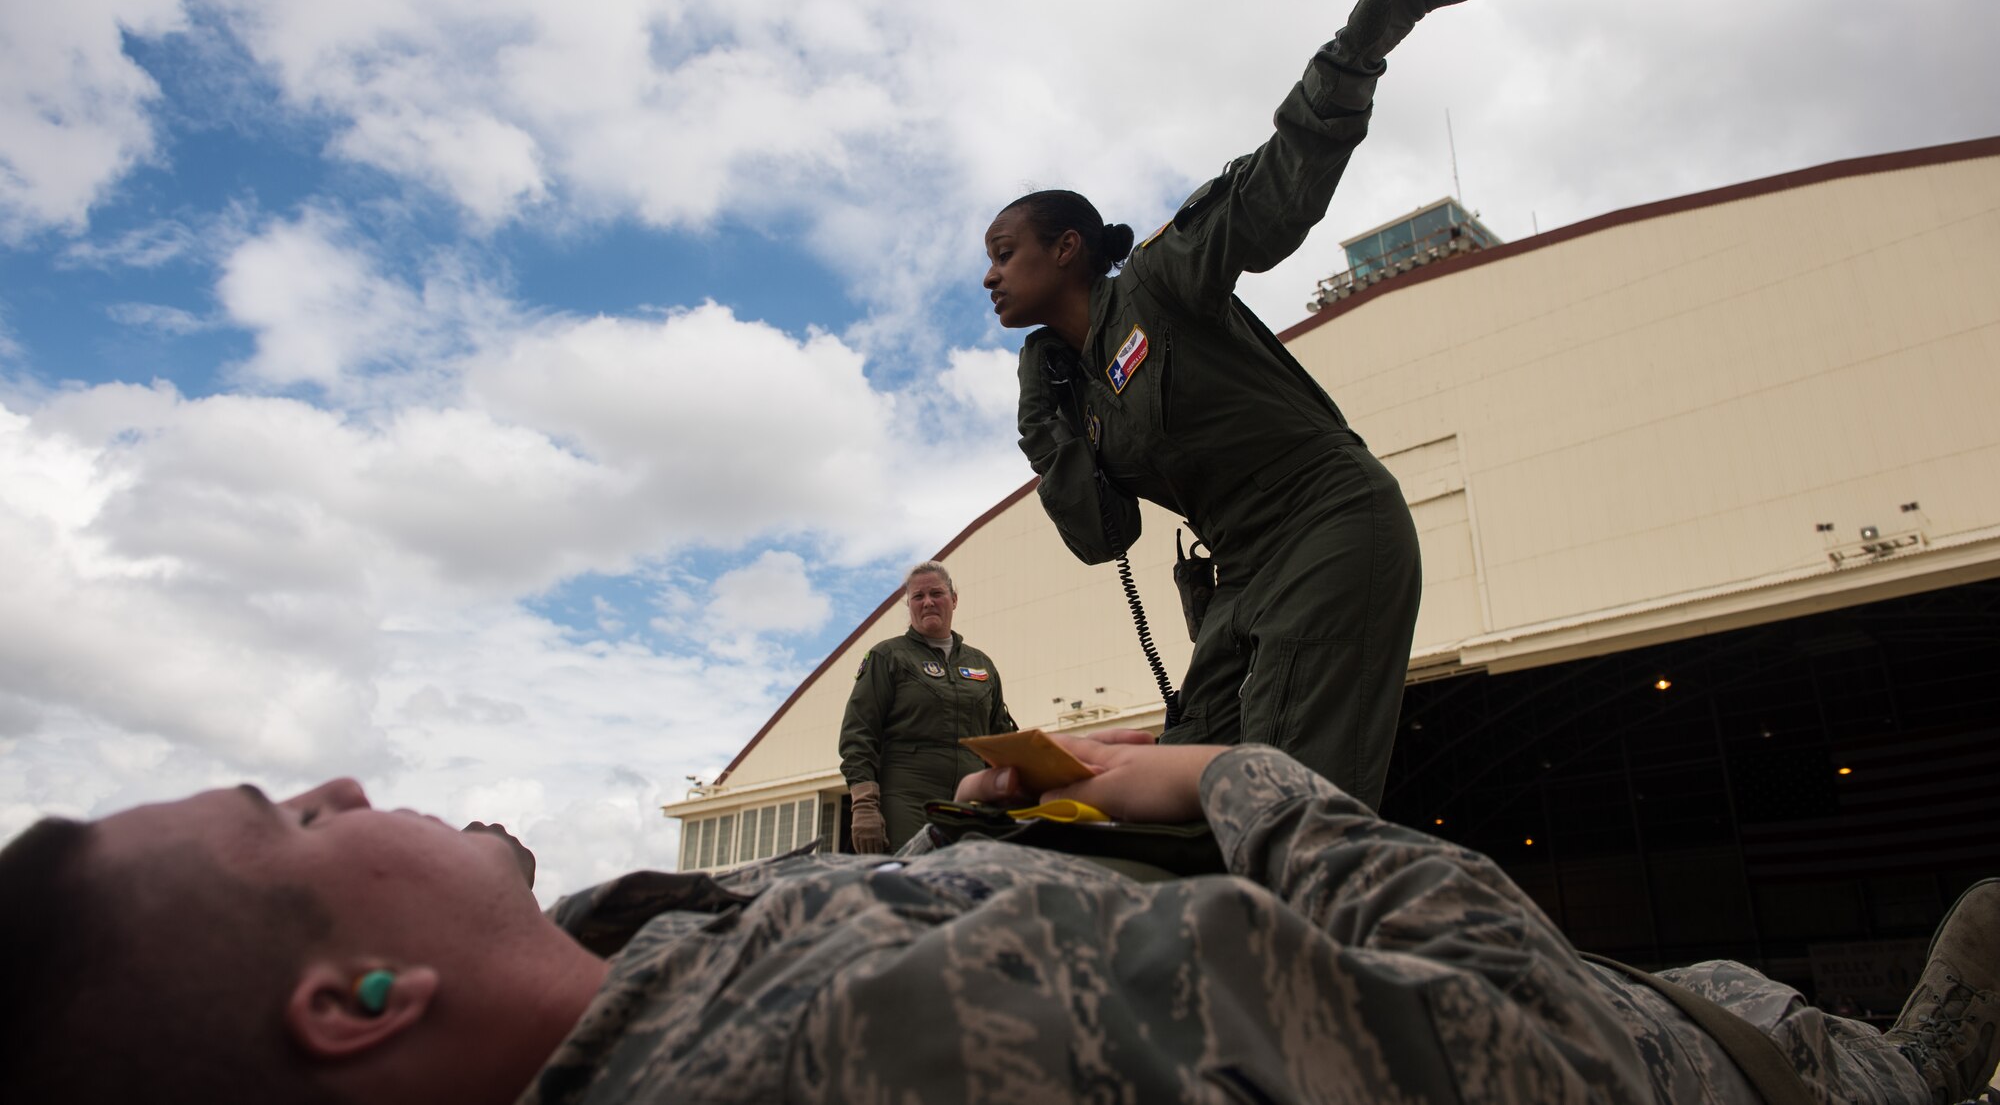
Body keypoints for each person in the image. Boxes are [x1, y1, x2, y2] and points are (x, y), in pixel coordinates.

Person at [2, 735, 1994, 1104]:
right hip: (1757, 1064)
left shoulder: (665, 965)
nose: (340, 780)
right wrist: (1227, 776)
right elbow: (1525, 1036)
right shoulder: (921, 1043)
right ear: (361, 997)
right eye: (288, 812)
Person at [981, 0, 1473, 809]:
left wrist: (1360, 45)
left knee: (1279, 802)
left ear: (1068, 249)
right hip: (1242, 578)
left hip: (1327, 527)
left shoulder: (1161, 281)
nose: (989, 277)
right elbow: (1103, 536)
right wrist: (1042, 409)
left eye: (1004, 251)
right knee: (1182, 798)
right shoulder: (1079, 394)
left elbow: (1277, 188)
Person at [837, 559, 1016, 852]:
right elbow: (858, 734)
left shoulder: (981, 665)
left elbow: (1001, 740)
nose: (928, 602)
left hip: (971, 803)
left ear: (954, 599)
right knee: (912, 882)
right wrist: (864, 805)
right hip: (907, 799)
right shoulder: (888, 656)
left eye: (936, 593)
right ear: (909, 606)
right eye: (918, 597)